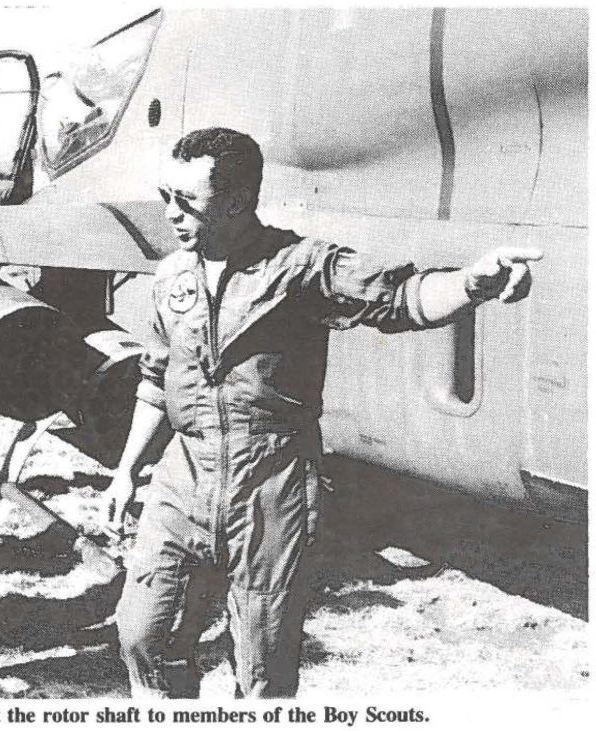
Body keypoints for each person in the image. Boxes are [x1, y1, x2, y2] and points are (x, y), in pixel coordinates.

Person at [103, 127, 542, 699]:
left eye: (186, 201)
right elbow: (158, 380)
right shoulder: (171, 278)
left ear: (236, 201)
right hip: (182, 477)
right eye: (166, 195)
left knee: (262, 669)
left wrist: (472, 285)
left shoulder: (301, 266)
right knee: (143, 638)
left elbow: (397, 297)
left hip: (270, 483)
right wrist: (127, 468)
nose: (169, 213)